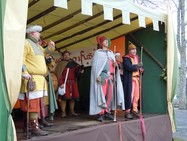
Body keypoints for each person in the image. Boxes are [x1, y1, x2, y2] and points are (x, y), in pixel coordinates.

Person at [19, 25, 55, 136]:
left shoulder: (37, 46)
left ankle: (29, 127)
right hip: (32, 78)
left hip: (39, 79)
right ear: (32, 33)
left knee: (37, 104)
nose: (39, 34)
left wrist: (51, 47)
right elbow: (21, 59)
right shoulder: (25, 43)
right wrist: (24, 73)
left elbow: (45, 53)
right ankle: (33, 127)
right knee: (32, 104)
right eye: (38, 32)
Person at [89, 35, 125, 122]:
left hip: (111, 77)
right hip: (102, 77)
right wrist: (97, 76)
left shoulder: (111, 53)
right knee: (102, 94)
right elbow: (95, 67)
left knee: (109, 95)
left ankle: (107, 112)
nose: (107, 42)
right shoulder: (98, 53)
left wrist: (115, 65)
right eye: (105, 41)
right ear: (101, 43)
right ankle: (101, 113)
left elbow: (114, 65)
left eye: (107, 41)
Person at [54, 51, 84, 118]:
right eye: (65, 55)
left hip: (73, 83)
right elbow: (59, 75)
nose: (67, 56)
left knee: (72, 98)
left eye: (68, 55)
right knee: (63, 98)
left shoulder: (74, 64)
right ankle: (63, 112)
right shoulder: (60, 64)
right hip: (65, 83)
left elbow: (77, 73)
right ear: (63, 56)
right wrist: (61, 83)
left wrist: (80, 70)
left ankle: (72, 111)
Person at [122, 42, 143, 119]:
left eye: (135, 49)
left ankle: (135, 110)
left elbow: (141, 67)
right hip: (130, 80)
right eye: (132, 49)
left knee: (136, 96)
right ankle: (127, 111)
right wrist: (137, 66)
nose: (134, 51)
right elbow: (129, 67)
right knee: (129, 95)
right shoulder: (126, 58)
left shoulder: (137, 58)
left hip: (137, 79)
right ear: (129, 50)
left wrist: (142, 69)